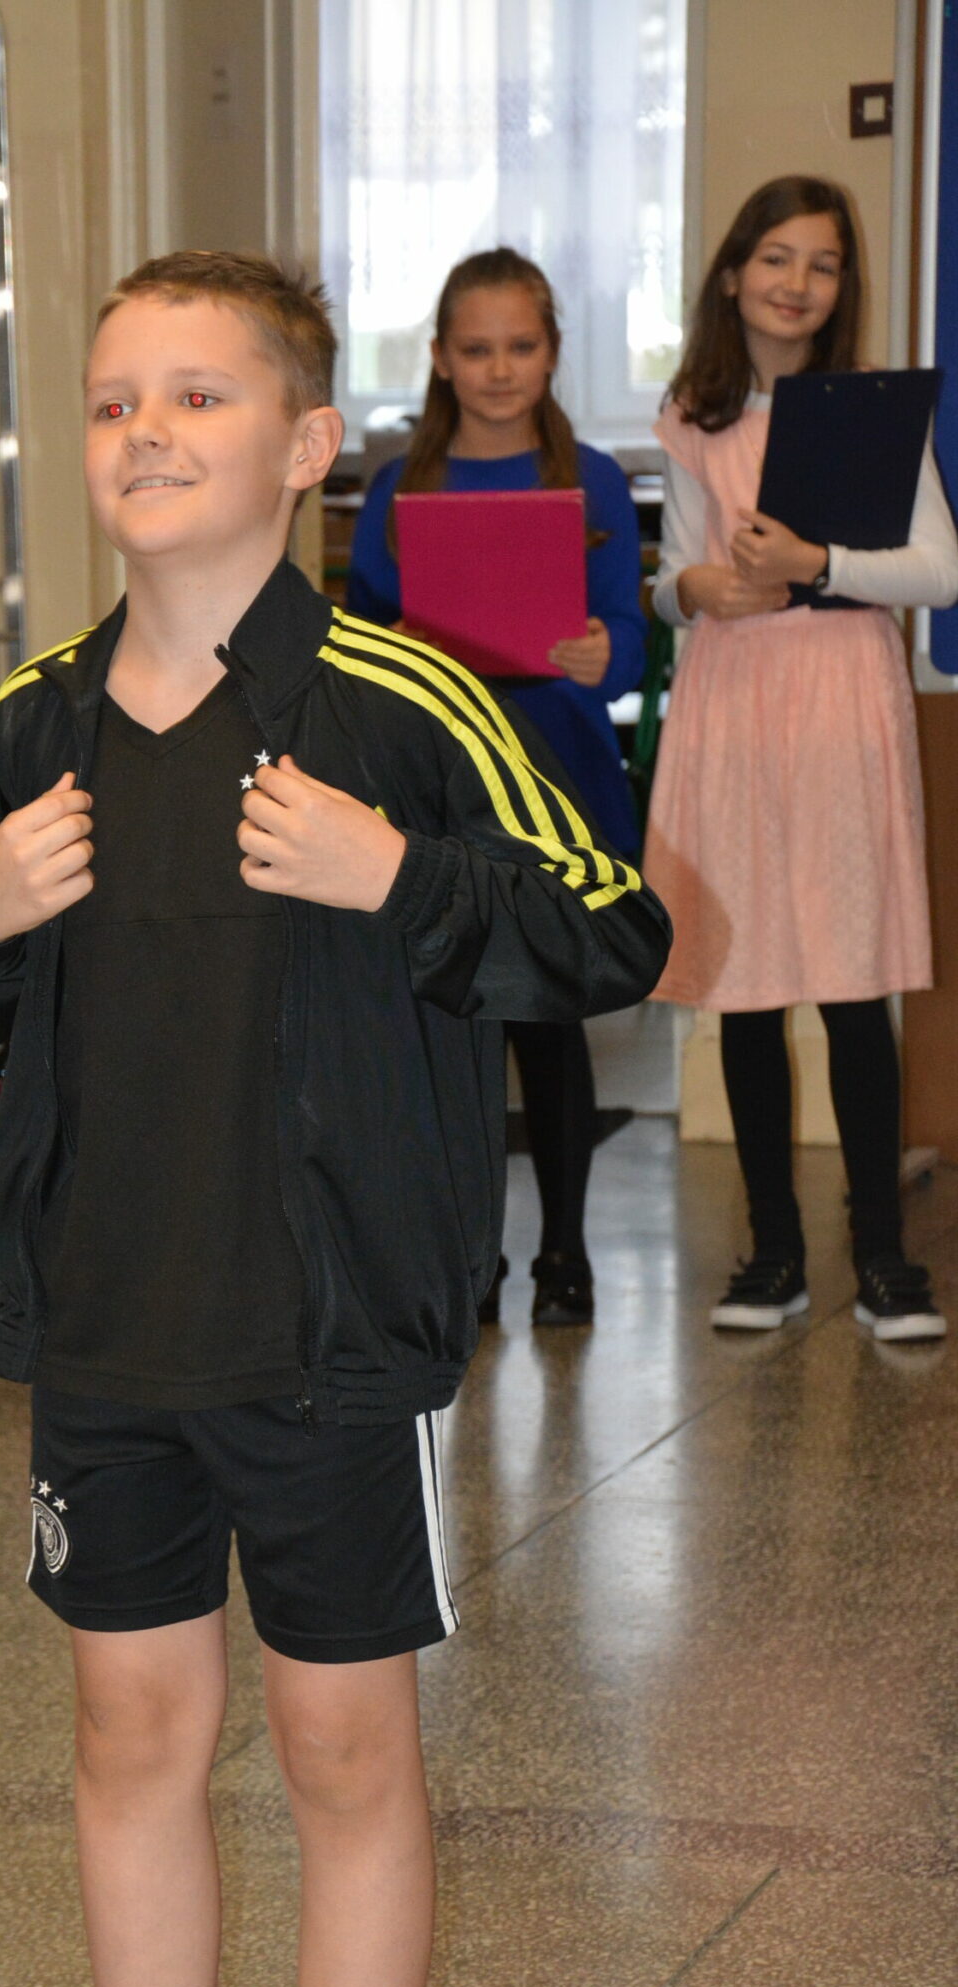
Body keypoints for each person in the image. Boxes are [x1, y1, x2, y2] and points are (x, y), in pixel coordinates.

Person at [0, 251, 669, 1987]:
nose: (145, 433)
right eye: (111, 400)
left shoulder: (400, 703)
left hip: (330, 1331)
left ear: (310, 446)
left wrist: (396, 880)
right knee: (128, 1741)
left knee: (345, 1757)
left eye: (198, 396)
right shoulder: (31, 716)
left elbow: (613, 929)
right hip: (108, 1324)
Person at [646, 174, 957, 1340]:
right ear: (733, 272)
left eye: (821, 265)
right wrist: (699, 588)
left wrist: (817, 565)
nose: (796, 283)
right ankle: (770, 1251)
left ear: (842, 288)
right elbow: (673, 577)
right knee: (746, 984)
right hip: (732, 701)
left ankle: (880, 1254)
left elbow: (940, 572)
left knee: (850, 977)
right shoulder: (694, 413)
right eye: (775, 257)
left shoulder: (868, 410)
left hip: (838, 701)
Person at [347, 247, 648, 1328]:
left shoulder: (593, 480)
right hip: (439, 792)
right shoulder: (399, 489)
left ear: (553, 352)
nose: (499, 368)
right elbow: (359, 652)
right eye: (476, 349)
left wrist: (601, 650)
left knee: (550, 1026)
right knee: (453, 1032)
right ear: (438, 357)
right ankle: (470, 1258)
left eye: (520, 346)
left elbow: (626, 641)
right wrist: (396, 650)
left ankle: (564, 1252)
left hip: (557, 776)